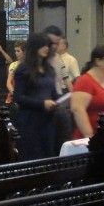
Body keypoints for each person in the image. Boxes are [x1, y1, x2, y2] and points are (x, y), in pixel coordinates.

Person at [13, 32, 62, 161]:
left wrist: (62, 100)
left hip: (47, 120)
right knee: (33, 158)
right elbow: (18, 97)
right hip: (29, 121)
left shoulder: (48, 69)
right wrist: (42, 104)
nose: (46, 48)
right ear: (34, 47)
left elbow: (52, 93)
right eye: (43, 45)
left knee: (48, 156)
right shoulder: (23, 69)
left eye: (47, 45)